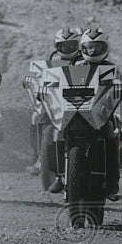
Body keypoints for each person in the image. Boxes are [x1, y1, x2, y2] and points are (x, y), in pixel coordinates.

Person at [48, 27, 121, 199]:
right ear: (83, 48)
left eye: (97, 46)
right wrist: (50, 88)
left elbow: (119, 86)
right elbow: (61, 82)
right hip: (74, 110)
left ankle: (112, 180)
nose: (93, 50)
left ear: (105, 48)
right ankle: (59, 175)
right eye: (89, 47)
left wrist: (120, 89)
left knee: (110, 131)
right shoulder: (76, 66)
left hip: (101, 113)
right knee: (57, 132)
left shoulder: (111, 68)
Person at [29, 27, 83, 175]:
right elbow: (40, 76)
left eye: (71, 45)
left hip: (80, 100)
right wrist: (32, 81)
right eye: (63, 46)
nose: (67, 49)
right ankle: (38, 155)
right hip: (57, 101)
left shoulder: (84, 61)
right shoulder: (53, 60)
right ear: (57, 46)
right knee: (37, 116)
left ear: (78, 45)